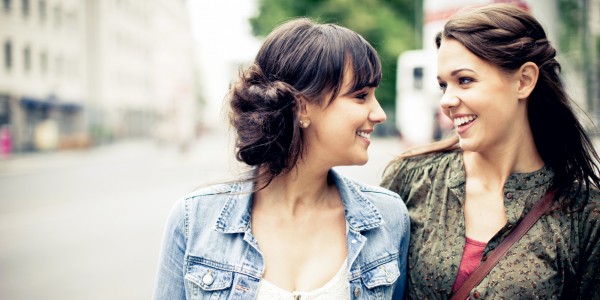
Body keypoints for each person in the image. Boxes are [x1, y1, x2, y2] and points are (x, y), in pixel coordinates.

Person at [153, 17, 409, 300]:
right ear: (302, 107)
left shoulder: (389, 218)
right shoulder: (194, 220)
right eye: (361, 96)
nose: (379, 113)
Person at [381, 3, 600, 299]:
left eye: (465, 80)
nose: (446, 100)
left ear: (524, 81)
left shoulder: (584, 213)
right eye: (443, 85)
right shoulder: (412, 178)